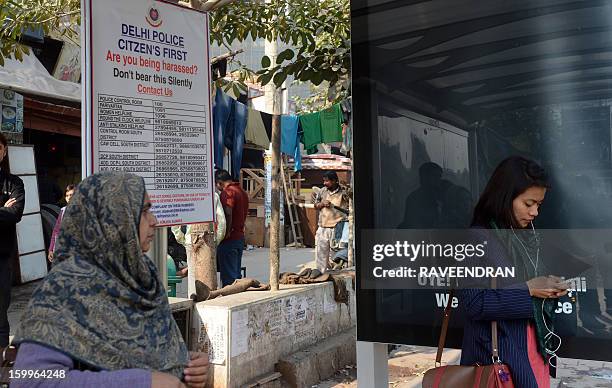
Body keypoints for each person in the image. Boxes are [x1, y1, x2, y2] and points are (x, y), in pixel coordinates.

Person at [11, 173, 208, 388]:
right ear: (111, 219)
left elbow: (147, 352)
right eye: (143, 211)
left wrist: (183, 367)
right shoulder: (62, 291)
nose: (154, 221)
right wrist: (142, 383)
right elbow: (30, 380)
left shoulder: (142, 277)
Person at [461, 156, 569, 388]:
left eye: (539, 205)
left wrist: (548, 287)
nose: (534, 213)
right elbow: (473, 303)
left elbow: (529, 284)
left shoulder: (524, 234)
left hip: (534, 350)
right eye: (528, 203)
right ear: (505, 196)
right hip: (499, 359)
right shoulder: (477, 238)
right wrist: (529, 289)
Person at [0, 133, 25, 348]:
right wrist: (2, 210)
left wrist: (7, 212)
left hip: (2, 256)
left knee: (0, 314)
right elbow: (6, 214)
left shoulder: (14, 182)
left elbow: (15, 214)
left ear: (3, 151)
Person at [215, 169, 248, 287]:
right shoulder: (242, 191)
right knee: (236, 276)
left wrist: (226, 232)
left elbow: (228, 212)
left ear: (219, 183)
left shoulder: (227, 192)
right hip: (239, 238)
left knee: (229, 279)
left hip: (229, 239)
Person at [312, 171, 349, 272]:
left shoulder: (343, 191)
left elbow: (350, 208)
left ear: (334, 181)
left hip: (338, 228)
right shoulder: (323, 191)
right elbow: (315, 205)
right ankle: (321, 274)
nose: (324, 183)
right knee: (321, 254)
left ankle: (336, 276)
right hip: (323, 227)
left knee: (336, 255)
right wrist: (322, 204)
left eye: (327, 181)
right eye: (324, 181)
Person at [47, 184, 75, 263]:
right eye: (67, 195)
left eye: (72, 195)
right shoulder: (63, 211)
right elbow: (56, 231)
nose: (69, 197)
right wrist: (51, 249)